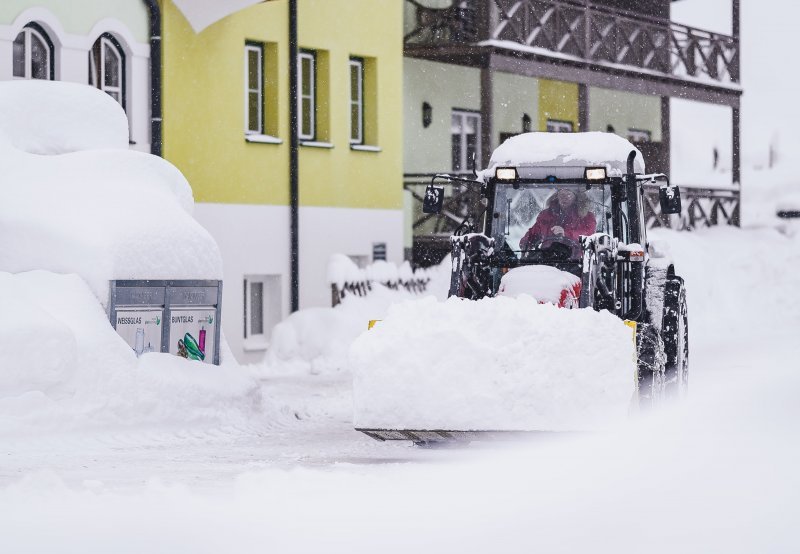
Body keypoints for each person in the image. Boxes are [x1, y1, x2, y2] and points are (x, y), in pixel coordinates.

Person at [520, 188, 596, 250]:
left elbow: (588, 234)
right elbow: (534, 232)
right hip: (546, 260)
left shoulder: (586, 216)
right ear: (557, 196)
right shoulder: (545, 215)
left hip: (576, 261)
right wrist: (525, 244)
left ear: (575, 197)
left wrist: (565, 233)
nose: (564, 198)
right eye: (562, 194)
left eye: (568, 194)